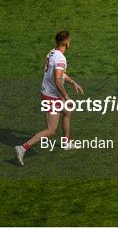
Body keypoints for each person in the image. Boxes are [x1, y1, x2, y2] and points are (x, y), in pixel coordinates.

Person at [15, 30, 84, 166]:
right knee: (51, 130)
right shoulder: (61, 59)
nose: (70, 42)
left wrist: (72, 82)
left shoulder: (52, 52)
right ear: (66, 42)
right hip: (51, 96)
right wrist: (67, 97)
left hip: (50, 92)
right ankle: (22, 148)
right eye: (69, 40)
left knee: (67, 112)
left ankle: (66, 143)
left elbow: (59, 74)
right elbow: (58, 80)